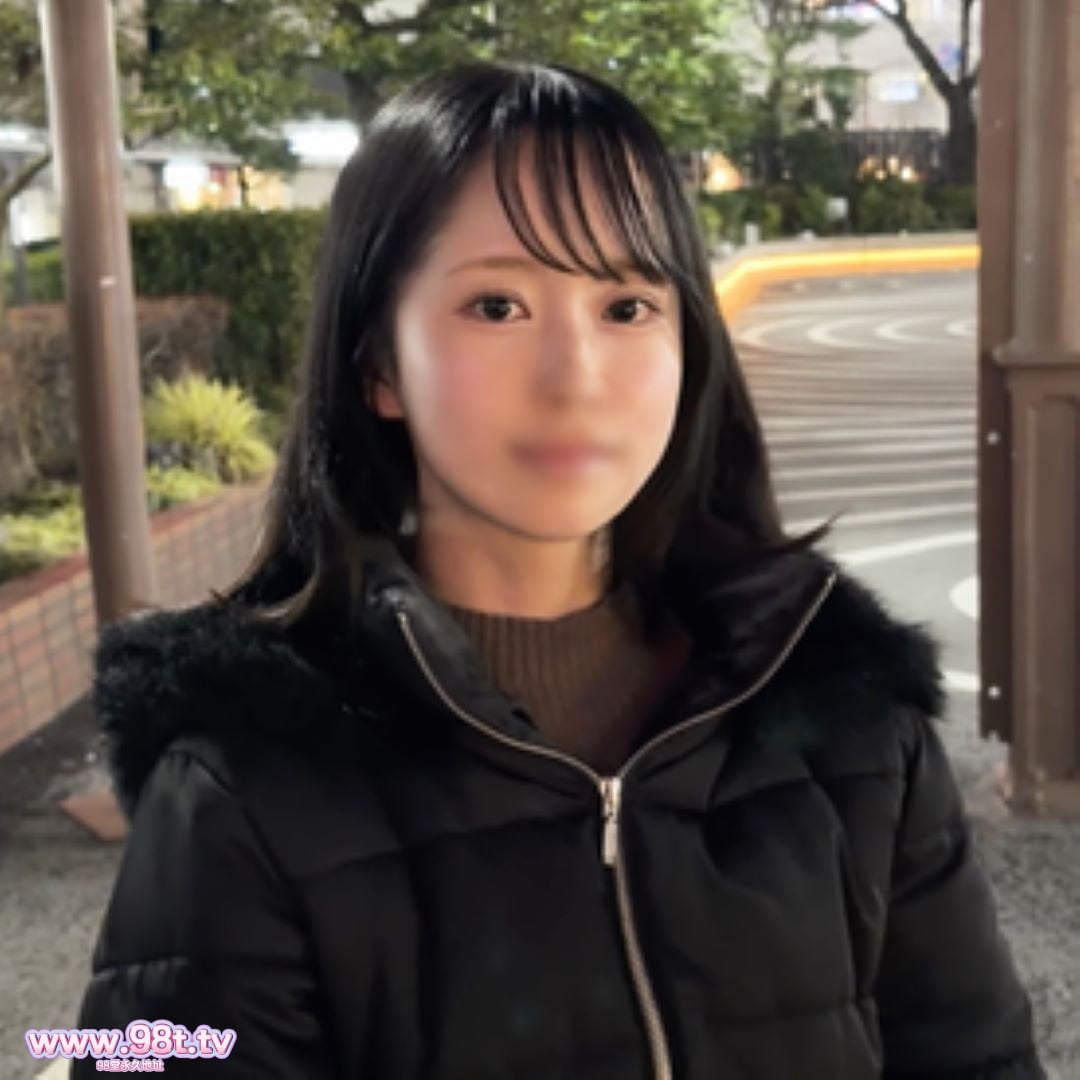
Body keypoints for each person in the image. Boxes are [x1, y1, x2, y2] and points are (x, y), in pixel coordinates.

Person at [73, 62, 1043, 1079]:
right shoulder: (243, 780)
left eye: (626, 306)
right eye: (497, 306)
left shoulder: (846, 710)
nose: (576, 378)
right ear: (378, 366)